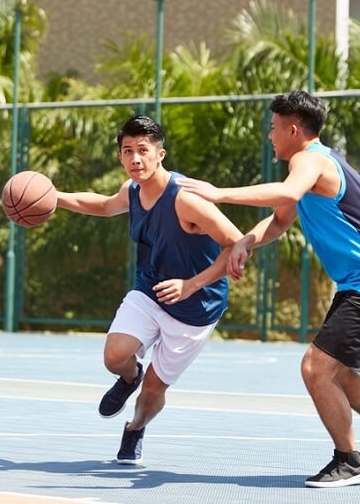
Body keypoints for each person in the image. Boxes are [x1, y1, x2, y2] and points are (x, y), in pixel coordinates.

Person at [176, 90, 360, 488]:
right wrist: (245, 243)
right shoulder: (310, 166)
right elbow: (279, 220)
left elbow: (287, 193)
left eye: (273, 128)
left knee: (315, 368)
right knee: (337, 373)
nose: (270, 136)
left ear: (293, 129)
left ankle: (348, 460)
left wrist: (219, 194)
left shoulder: (310, 161)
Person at [55, 114, 244, 466]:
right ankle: (129, 376)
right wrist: (54, 196)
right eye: (128, 151)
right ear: (120, 157)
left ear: (160, 154)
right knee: (114, 356)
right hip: (151, 289)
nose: (135, 159)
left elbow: (237, 243)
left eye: (143, 150)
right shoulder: (132, 191)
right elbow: (103, 205)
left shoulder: (185, 199)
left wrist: (192, 284)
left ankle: (135, 428)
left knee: (154, 390)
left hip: (196, 306)